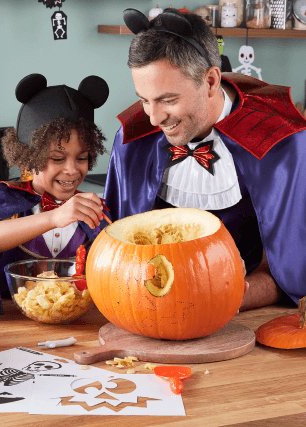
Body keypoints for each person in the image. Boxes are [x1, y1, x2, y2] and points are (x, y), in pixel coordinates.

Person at [104, 8, 306, 310]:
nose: (155, 118)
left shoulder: (281, 143)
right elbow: (119, 253)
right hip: (150, 311)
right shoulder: (133, 140)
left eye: (168, 100)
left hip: (248, 316)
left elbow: (287, 275)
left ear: (211, 81)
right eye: (145, 100)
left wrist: (218, 299)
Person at [0, 73, 110, 315]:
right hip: (10, 323)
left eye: (82, 158)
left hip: (78, 324)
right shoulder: (5, 197)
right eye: (57, 158)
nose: (71, 169)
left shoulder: (94, 208)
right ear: (29, 156)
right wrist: (54, 217)